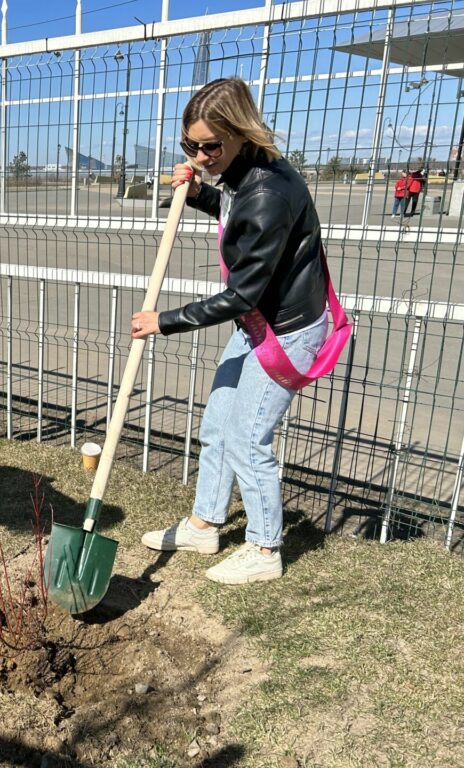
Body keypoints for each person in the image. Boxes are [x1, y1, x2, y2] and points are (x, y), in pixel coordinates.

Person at [134, 78, 348, 585]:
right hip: (258, 323)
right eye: (191, 144)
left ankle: (265, 548)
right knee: (218, 426)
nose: (201, 154)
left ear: (241, 134)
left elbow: (242, 294)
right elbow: (234, 213)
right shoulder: (245, 174)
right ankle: (205, 524)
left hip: (285, 330)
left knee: (248, 437)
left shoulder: (269, 192)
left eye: (211, 146)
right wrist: (199, 191)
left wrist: (163, 321)